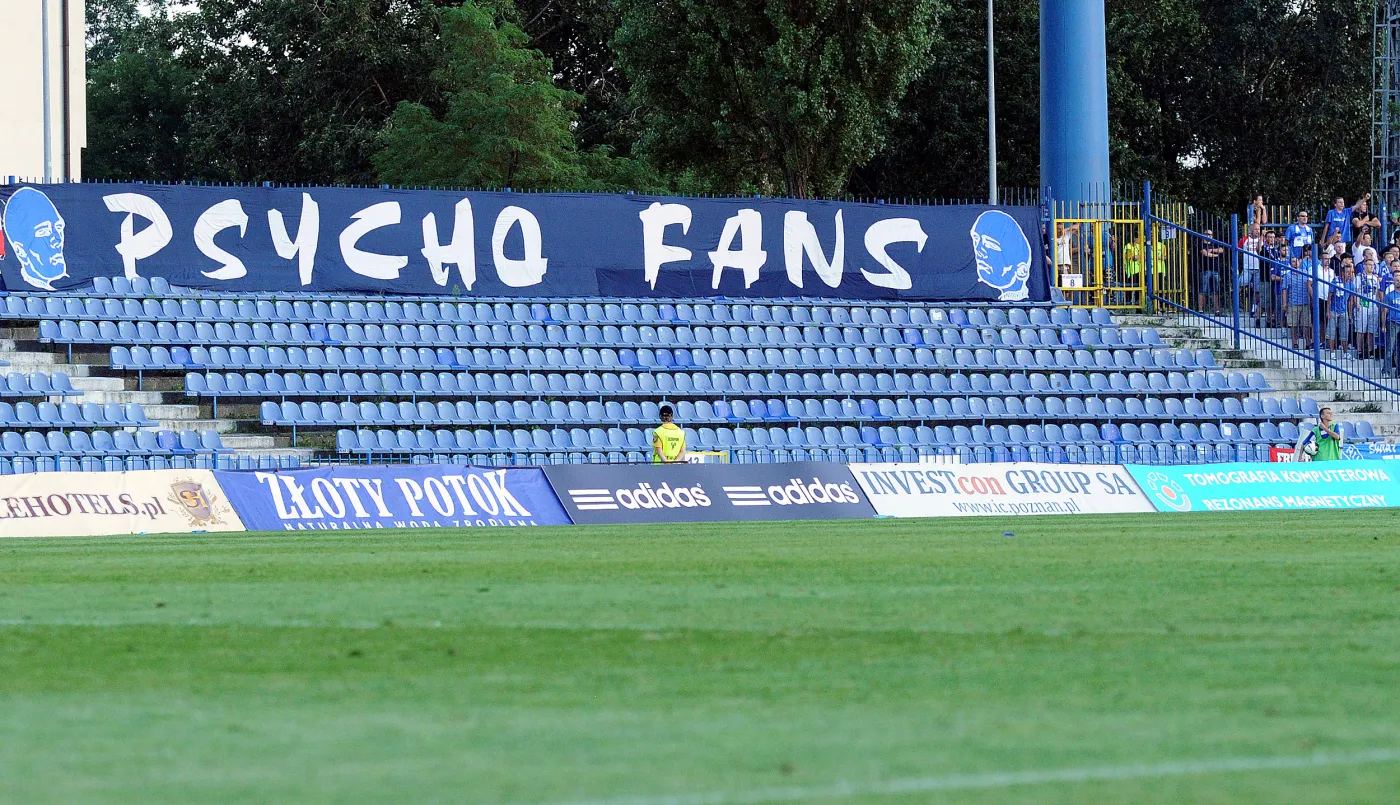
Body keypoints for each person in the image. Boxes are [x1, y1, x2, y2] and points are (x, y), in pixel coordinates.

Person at [1328, 258, 1357, 359]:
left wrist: (1349, 312)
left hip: (1344, 310)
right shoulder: (1335, 281)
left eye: (1351, 272)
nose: (1349, 274)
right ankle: (1332, 352)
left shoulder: (1351, 284)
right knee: (1331, 332)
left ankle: (1345, 353)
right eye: (1347, 272)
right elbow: (1330, 296)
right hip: (1333, 310)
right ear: (1343, 273)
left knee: (1344, 332)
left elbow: (1351, 299)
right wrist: (1328, 311)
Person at [1283, 255, 1312, 349]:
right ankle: (1295, 342)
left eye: (1296, 261)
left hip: (1305, 303)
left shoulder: (1306, 273)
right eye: (1293, 262)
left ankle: (1308, 342)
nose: (1295, 263)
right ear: (1290, 264)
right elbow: (1284, 290)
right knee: (1294, 325)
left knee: (1306, 325)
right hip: (1293, 303)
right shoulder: (1288, 275)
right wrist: (1284, 303)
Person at [1357, 258, 1383, 360]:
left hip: (1373, 305)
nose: (1371, 267)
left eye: (1373, 265)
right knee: (1361, 329)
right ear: (1364, 265)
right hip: (1363, 304)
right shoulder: (1359, 277)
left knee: (1372, 330)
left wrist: (1378, 304)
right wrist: (1357, 303)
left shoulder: (1375, 278)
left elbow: (1377, 292)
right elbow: (1356, 291)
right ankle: (1359, 350)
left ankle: (1371, 350)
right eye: (1369, 264)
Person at [1198, 230, 1224, 312]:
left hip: (1215, 270)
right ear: (1203, 235)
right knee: (1203, 290)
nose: (1209, 236)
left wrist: (1212, 250)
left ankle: (1217, 310)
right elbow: (1205, 254)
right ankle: (1201, 310)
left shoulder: (1214, 243)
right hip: (1205, 270)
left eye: (1211, 234)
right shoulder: (1201, 244)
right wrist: (1215, 254)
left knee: (1215, 291)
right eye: (1207, 234)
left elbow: (1221, 250)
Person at [1385, 280, 1400, 377]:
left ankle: (1398, 372)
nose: (1398, 281)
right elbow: (1384, 311)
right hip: (1392, 322)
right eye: (1397, 279)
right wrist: (1383, 325)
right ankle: (1386, 371)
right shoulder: (1389, 295)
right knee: (1390, 347)